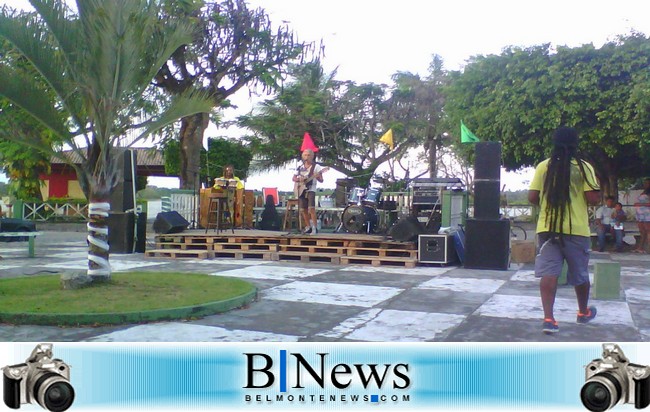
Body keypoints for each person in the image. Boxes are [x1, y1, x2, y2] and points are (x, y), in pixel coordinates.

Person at [528, 127, 600, 334]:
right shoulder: (585, 167)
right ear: (575, 143)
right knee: (580, 274)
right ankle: (582, 312)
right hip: (576, 230)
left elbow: (532, 197)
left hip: (548, 229)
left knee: (549, 274)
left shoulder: (544, 167)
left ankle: (549, 319)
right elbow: (593, 198)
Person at [293, 149, 325, 235]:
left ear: (312, 156)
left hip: (311, 189)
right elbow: (294, 178)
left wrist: (317, 176)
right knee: (303, 209)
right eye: (305, 155)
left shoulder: (316, 167)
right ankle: (308, 227)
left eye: (308, 155)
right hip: (301, 189)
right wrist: (299, 179)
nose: (307, 157)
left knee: (311, 208)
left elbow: (321, 180)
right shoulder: (300, 167)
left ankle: (314, 227)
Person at [633, 177, 650, 254]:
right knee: (642, 231)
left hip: (647, 213)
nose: (646, 184)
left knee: (648, 230)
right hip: (640, 214)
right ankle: (641, 247)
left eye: (647, 183)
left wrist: (639, 204)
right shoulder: (644, 191)